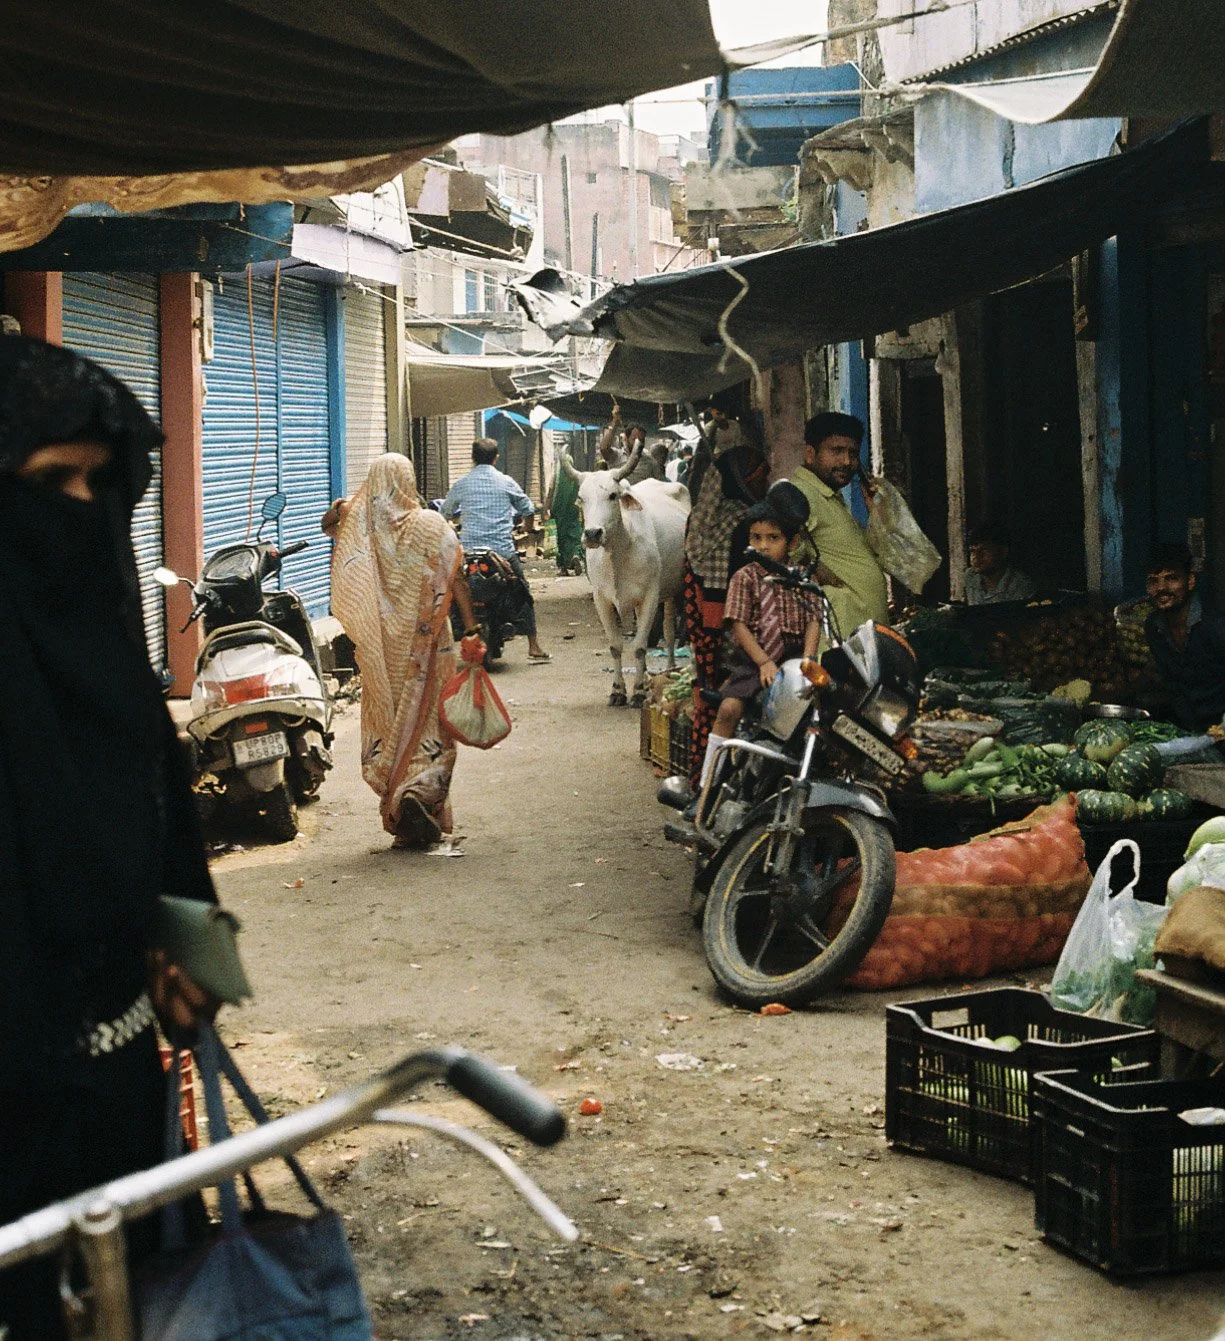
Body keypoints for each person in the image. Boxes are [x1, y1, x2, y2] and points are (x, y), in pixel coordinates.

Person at [0, 336, 219, 1339]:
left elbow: (160, 811)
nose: (83, 511)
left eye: (100, 481)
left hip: (123, 1082)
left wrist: (194, 947)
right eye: (53, 482)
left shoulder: (94, 643)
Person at [325, 455, 484, 849]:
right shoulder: (430, 524)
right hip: (430, 645)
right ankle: (419, 795)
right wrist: (473, 626)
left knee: (391, 722)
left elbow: (329, 526)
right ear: (408, 482)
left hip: (384, 651)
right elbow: (456, 576)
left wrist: (344, 507)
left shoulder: (361, 527)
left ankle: (402, 802)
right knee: (434, 723)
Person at [701, 483, 820, 786]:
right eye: (756, 538)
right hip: (754, 662)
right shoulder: (745, 577)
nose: (764, 546)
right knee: (729, 709)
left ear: (792, 543)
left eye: (773, 538)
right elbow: (738, 624)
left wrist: (807, 660)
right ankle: (706, 787)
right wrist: (764, 662)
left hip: (794, 661)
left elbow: (814, 620)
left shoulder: (802, 577)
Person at [683, 414, 769, 784]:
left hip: (704, 619)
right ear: (743, 481)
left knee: (709, 691)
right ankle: (714, 777)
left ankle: (704, 774)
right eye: (759, 477)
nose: (763, 483)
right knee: (723, 697)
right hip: (725, 623)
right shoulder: (743, 522)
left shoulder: (704, 522)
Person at [441, 439, 550, 662]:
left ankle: (445, 643)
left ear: (473, 458)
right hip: (502, 552)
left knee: (453, 593)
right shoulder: (505, 481)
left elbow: (444, 512)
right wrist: (528, 529)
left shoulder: (462, 483)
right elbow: (528, 508)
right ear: (496, 457)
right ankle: (534, 645)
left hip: (469, 554)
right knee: (522, 591)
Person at [790, 411, 889, 637]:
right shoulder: (800, 493)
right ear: (810, 454)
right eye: (836, 451)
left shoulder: (830, 497)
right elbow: (787, 548)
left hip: (859, 637)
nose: (846, 462)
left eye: (852, 454)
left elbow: (879, 554)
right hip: (839, 637)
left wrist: (873, 509)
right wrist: (825, 576)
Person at [1143, 543, 1225, 730]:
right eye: (1153, 581)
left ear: (1190, 582)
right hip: (1191, 732)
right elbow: (1174, 687)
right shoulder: (1153, 628)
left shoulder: (1216, 627)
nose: (1161, 588)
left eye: (1171, 578)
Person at [965, 521, 1038, 604]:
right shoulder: (970, 576)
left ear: (1003, 552)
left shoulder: (1022, 587)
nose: (976, 556)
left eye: (984, 550)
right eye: (972, 551)